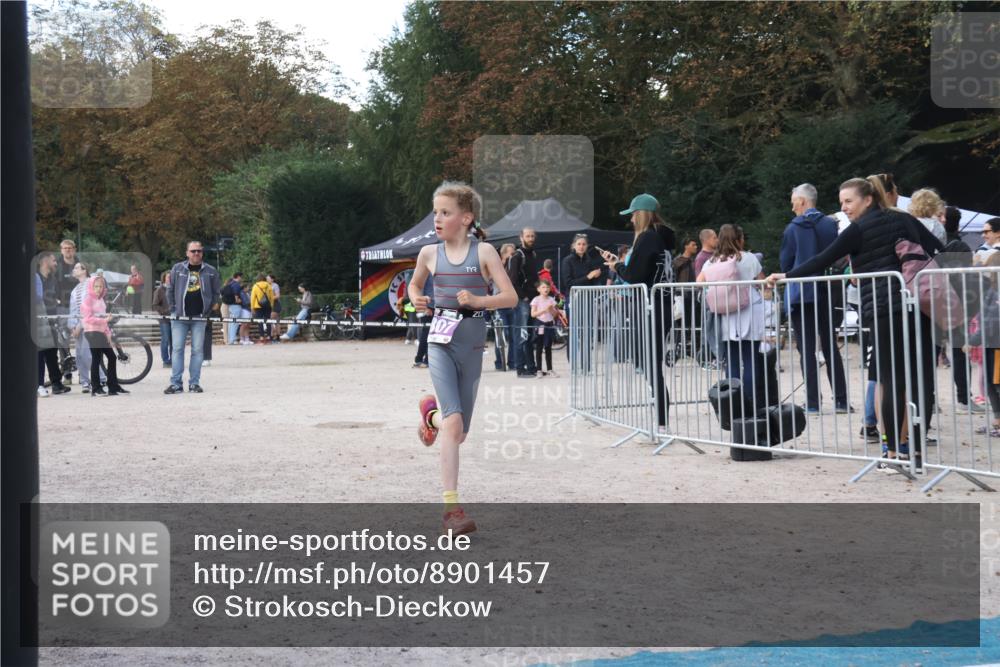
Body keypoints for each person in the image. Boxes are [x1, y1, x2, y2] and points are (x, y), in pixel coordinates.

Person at [767, 176, 940, 468]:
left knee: (890, 379)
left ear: (868, 199)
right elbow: (937, 248)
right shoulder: (903, 220)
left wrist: (785, 276)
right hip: (918, 306)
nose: (844, 208)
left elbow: (821, 260)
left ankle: (893, 453)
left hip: (885, 310)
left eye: (848, 201)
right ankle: (915, 450)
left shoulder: (858, 230)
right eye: (842, 203)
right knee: (918, 379)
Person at [408, 181, 518, 535]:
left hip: (471, 346)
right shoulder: (428, 253)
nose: (437, 219)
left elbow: (511, 297)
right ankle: (451, 509)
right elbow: (413, 286)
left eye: (445, 212)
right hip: (440, 340)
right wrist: (417, 298)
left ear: (466, 218)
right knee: (455, 427)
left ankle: (431, 416)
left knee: (459, 431)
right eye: (435, 212)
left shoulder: (484, 252)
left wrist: (479, 301)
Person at [599, 193, 671, 429]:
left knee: (650, 362)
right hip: (658, 304)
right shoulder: (660, 236)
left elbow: (634, 275)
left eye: (632, 215)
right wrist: (619, 265)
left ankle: (662, 420)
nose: (630, 221)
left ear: (640, 215)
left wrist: (616, 266)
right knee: (648, 360)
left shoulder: (648, 238)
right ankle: (661, 415)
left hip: (653, 306)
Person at [780, 183, 850, 414]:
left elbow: (786, 264)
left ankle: (812, 402)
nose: (792, 208)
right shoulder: (832, 225)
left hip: (802, 291)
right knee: (830, 344)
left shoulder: (793, 229)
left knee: (806, 348)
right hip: (829, 289)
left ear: (802, 201)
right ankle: (841, 400)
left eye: (793, 203)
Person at [698, 224, 769, 409]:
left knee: (732, 361)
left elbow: (699, 282)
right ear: (739, 240)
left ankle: (734, 404)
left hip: (726, 314)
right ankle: (751, 402)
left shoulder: (712, 261)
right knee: (751, 358)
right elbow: (762, 281)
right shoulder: (748, 258)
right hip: (749, 310)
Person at [938, 206, 984, 413]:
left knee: (933, 353)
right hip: (956, 304)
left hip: (937, 302)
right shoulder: (960, 246)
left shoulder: (934, 243)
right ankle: (964, 399)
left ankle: (930, 402)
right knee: (958, 353)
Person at [164, 240, 221, 394]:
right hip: (179, 317)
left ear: (202, 253)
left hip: (199, 317)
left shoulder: (211, 271)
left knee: (197, 351)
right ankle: (176, 383)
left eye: (199, 251)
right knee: (177, 349)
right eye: (193, 251)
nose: (196, 253)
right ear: (187, 253)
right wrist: (173, 309)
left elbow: (216, 294)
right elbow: (170, 290)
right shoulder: (177, 268)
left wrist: (208, 312)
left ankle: (194, 383)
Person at [966, 253, 1000, 438]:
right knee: (991, 384)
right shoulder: (992, 290)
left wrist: (973, 340)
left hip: (996, 345)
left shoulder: (996, 292)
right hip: (991, 343)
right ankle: (997, 421)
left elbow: (991, 320)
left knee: (996, 384)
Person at [80, 274, 127, 396]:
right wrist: (104, 321)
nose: (99, 288)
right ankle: (96, 388)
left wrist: (108, 335)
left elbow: (104, 320)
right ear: (91, 286)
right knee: (97, 358)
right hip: (91, 332)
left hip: (100, 333)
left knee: (111, 357)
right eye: (96, 286)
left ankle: (113, 387)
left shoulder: (101, 300)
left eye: (101, 286)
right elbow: (88, 319)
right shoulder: (87, 300)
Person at [67, 262, 106, 393]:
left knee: (88, 354)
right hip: (78, 325)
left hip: (90, 324)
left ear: (84, 270)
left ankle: (101, 378)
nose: (74, 270)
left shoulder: (91, 284)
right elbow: (72, 310)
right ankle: (85, 381)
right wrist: (72, 326)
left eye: (77, 267)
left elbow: (91, 307)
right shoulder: (75, 289)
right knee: (79, 355)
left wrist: (79, 325)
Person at [507, 227, 539, 377]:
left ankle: (531, 366)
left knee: (531, 334)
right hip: (522, 301)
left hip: (534, 300)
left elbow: (534, 278)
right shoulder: (517, 257)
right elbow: (512, 281)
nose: (531, 238)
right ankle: (520, 368)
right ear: (521, 238)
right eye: (528, 236)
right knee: (522, 334)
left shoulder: (533, 254)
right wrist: (523, 297)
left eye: (532, 236)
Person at [35, 252, 69, 396]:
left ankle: (56, 383)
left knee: (52, 353)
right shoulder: (35, 278)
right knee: (40, 353)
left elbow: (57, 299)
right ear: (45, 261)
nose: (56, 263)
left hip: (52, 320)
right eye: (54, 260)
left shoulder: (53, 279)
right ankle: (39, 385)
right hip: (39, 321)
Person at [56, 239, 79, 385]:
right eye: (65, 248)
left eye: (70, 248)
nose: (68, 250)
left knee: (84, 339)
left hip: (79, 306)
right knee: (62, 341)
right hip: (63, 306)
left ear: (74, 250)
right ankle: (67, 373)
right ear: (61, 250)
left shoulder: (80, 265)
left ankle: (87, 374)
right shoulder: (57, 265)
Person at [493, 244, 516, 371]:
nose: (512, 257)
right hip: (499, 304)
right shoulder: (496, 267)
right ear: (503, 255)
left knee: (513, 334)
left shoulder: (515, 266)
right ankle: (499, 361)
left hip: (512, 304)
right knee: (502, 333)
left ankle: (512, 362)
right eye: (510, 254)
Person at [531, 280, 559, 377]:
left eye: (547, 287)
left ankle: (550, 369)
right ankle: (539, 370)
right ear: (538, 289)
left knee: (548, 348)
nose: (546, 289)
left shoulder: (551, 300)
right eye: (543, 287)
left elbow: (555, 314)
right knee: (539, 348)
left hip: (549, 325)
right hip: (540, 324)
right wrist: (544, 310)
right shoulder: (536, 300)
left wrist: (551, 310)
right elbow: (533, 314)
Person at [152, 271, 172, 368]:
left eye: (171, 277)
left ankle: (173, 359)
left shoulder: (175, 289)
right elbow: (155, 305)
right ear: (164, 278)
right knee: (165, 340)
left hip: (174, 319)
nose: (170, 279)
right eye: (168, 277)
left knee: (174, 341)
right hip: (164, 320)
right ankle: (166, 360)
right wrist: (164, 311)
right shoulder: (159, 290)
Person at [414, 274, 434, 369]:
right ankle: (421, 360)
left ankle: (423, 359)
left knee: (430, 334)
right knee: (427, 334)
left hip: (435, 306)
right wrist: (425, 308)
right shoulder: (426, 270)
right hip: (428, 307)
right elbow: (418, 288)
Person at [250, 274, 275, 344]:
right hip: (267, 306)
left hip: (258, 306)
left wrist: (252, 307)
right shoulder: (268, 285)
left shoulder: (255, 286)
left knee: (260, 321)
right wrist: (272, 305)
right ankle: (269, 337)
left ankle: (261, 337)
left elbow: (252, 298)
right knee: (268, 321)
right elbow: (271, 297)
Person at [220, 272, 243, 344]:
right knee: (229, 322)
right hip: (228, 305)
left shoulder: (227, 286)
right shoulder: (235, 285)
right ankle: (228, 340)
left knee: (227, 323)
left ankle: (227, 340)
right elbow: (236, 297)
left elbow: (220, 296)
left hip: (225, 304)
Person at [267, 274, 282, 340]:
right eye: (266, 278)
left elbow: (278, 296)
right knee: (276, 321)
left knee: (271, 320)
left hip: (275, 304)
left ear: (272, 279)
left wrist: (269, 298)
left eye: (268, 278)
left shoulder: (275, 285)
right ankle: (277, 336)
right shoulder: (267, 286)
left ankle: (272, 336)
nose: (267, 280)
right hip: (270, 305)